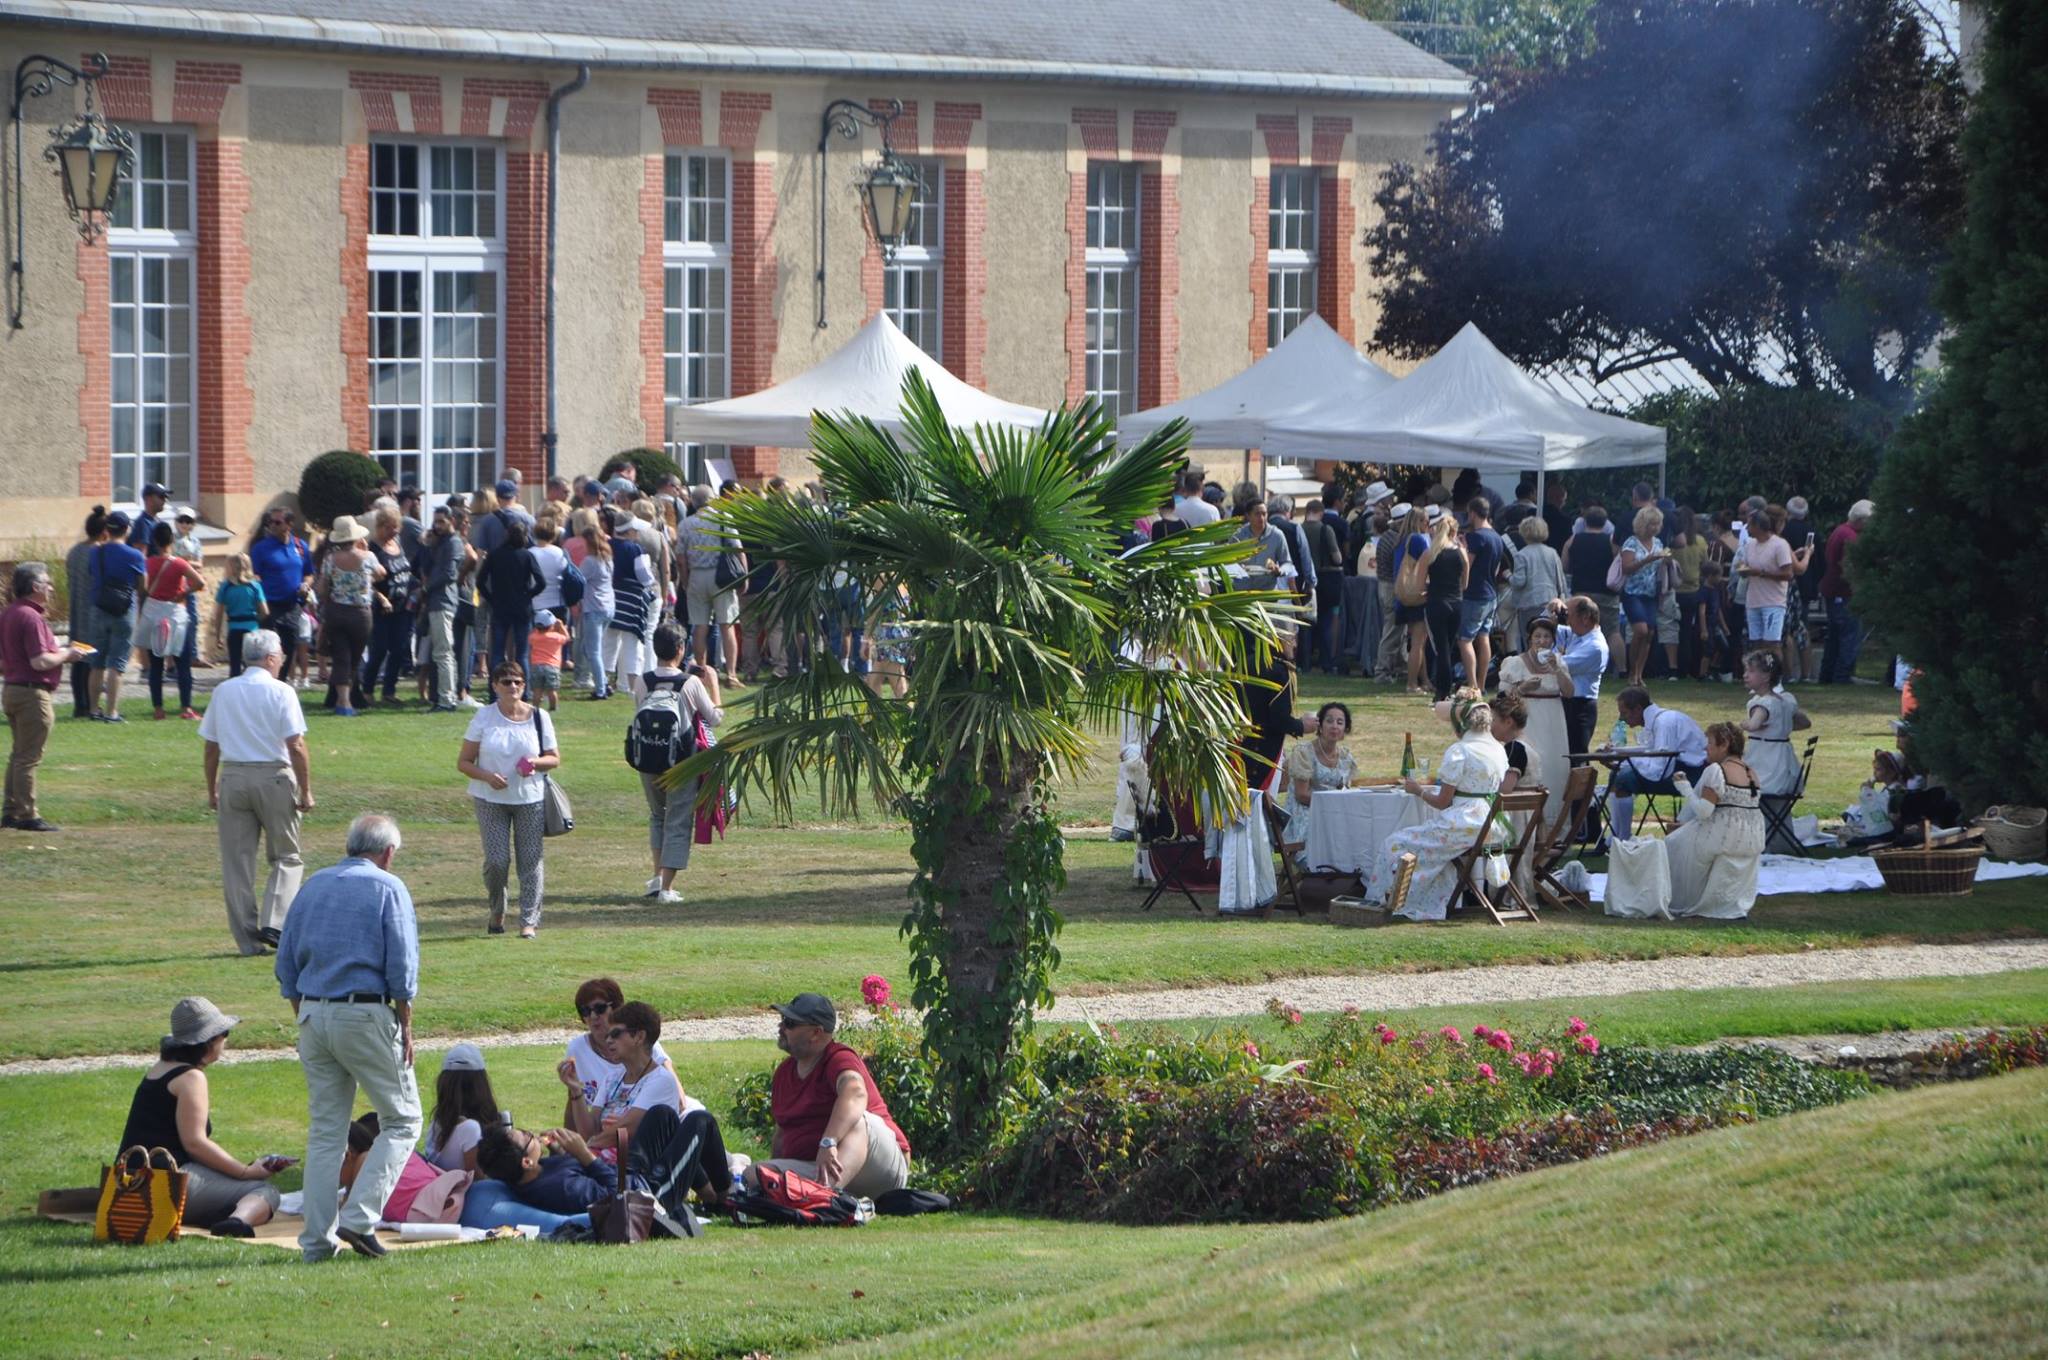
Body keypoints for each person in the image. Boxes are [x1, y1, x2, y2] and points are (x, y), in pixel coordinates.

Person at [274, 812, 422, 1262]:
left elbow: (285, 963)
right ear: (388, 853)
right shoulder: (387, 886)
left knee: (326, 1132)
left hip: (313, 1013)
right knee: (403, 1119)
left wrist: (307, 1014)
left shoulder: (314, 884)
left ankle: (317, 1243)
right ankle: (359, 1220)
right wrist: (406, 1024)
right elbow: (402, 967)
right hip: (364, 1012)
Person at [117, 997, 286, 1236]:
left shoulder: (160, 1067)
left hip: (129, 1181)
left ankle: (219, 1213)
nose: (226, 1040)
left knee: (229, 1183)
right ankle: (236, 1222)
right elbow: (195, 1143)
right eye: (223, 1033)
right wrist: (245, 1172)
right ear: (208, 1041)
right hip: (163, 1184)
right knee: (264, 1191)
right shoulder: (191, 1078)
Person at [199, 629, 311, 953]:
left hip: (233, 776)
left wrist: (211, 788)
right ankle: (274, 922)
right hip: (274, 776)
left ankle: (248, 941)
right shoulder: (281, 691)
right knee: (287, 855)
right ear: (271, 658)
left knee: (237, 863)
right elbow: (297, 745)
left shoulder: (224, 691)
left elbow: (211, 746)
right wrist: (306, 790)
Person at [1363, 690, 1511, 922]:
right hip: (1494, 825)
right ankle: (1427, 901)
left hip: (1467, 824)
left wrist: (1419, 791)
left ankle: (1391, 900)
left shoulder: (1461, 751)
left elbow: (1443, 802)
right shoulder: (1498, 750)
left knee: (1394, 843)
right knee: (1437, 855)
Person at [752, 992, 911, 1197]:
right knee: (753, 1173)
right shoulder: (784, 1073)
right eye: (783, 1020)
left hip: (879, 1168)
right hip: (821, 1167)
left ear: (816, 1033)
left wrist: (829, 1141)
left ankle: (821, 1198)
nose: (781, 1027)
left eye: (790, 1023)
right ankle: (808, 1195)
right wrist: (771, 1173)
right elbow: (782, 1132)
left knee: (860, 1121)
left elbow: (855, 1092)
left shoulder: (838, 1058)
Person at [476, 1102, 732, 1228]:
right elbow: (616, 1199)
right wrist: (585, 1155)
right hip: (648, 1196)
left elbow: (575, 1174)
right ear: (526, 1161)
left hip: (630, 1174)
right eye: (526, 1136)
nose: (531, 1133)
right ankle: (725, 1197)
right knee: (701, 1121)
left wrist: (558, 1151)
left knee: (661, 1115)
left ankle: (708, 1195)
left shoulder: (536, 1172)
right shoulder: (561, 1188)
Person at [457, 660, 559, 938]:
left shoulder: (539, 716)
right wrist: (487, 776)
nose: (512, 686)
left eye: (517, 682)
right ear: (495, 687)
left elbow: (554, 758)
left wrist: (535, 762)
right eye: (506, 682)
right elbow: (464, 762)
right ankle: (497, 910)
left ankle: (528, 921)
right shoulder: (484, 717)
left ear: (524, 685)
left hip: (530, 799)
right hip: (490, 799)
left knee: (530, 860)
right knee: (497, 860)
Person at [635, 625, 725, 903]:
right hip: (682, 760)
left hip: (648, 759)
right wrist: (714, 684)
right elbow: (715, 718)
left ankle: (657, 878)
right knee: (678, 820)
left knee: (657, 815)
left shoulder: (643, 680)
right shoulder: (690, 683)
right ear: (681, 649)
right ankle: (666, 888)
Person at [4, 562, 86, 831]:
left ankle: (11, 811)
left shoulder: (8, 614)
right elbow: (40, 661)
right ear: (36, 587)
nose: (51, 588)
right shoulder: (31, 616)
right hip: (32, 693)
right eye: (47, 583)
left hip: (12, 689)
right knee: (28, 757)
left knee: (18, 754)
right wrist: (68, 654)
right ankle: (28, 814)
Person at [1658, 722, 1766, 920]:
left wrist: (1684, 787)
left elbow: (1704, 811)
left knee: (1669, 845)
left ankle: (1671, 897)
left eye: (1709, 743)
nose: (1705, 748)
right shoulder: (1752, 772)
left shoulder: (1716, 770)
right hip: (1751, 838)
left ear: (1723, 744)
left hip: (1722, 837)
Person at [558, 976, 679, 1134]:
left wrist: (587, 1149)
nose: (593, 1016)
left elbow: (621, 1134)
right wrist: (576, 1090)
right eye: (585, 1011)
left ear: (639, 1037)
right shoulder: (611, 1079)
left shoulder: (658, 1076)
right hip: (601, 1153)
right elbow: (588, 1132)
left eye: (600, 1008)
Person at [1603, 686, 1708, 839]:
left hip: (1690, 776)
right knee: (1617, 774)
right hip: (1679, 769)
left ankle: (1622, 838)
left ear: (1638, 709)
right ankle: (1613, 837)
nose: (1621, 718)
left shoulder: (1664, 723)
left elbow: (1661, 768)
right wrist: (1616, 757)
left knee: (1623, 779)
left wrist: (1623, 760)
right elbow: (1650, 751)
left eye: (1624, 713)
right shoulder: (1659, 720)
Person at [1497, 618, 1569, 824]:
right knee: (1536, 763)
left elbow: (1570, 691)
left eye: (1546, 636)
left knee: (1556, 767)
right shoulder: (1516, 663)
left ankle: (1556, 823)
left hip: (1554, 719)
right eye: (1537, 636)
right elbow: (1502, 697)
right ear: (1530, 639)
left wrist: (1558, 670)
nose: (1542, 641)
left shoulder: (1558, 662)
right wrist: (1522, 689)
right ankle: (1532, 820)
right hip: (1530, 718)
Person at [1740, 649, 1811, 850]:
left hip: (1768, 768)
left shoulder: (1762, 703)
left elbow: (1754, 725)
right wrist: (1779, 728)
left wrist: (1744, 724)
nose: (1745, 675)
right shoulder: (1786, 701)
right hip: (1785, 767)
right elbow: (1805, 723)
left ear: (1766, 677)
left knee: (1734, 784)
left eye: (1751, 671)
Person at [314, 515, 381, 716]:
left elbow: (323, 588)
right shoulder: (368, 557)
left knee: (341, 656)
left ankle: (342, 701)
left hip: (336, 612)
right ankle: (347, 701)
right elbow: (381, 573)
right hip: (360, 614)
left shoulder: (330, 560)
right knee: (354, 658)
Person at [83, 511, 147, 722]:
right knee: (117, 663)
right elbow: (142, 585)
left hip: (98, 607)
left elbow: (92, 574)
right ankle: (111, 712)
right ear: (126, 529)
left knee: (96, 662)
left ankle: (93, 709)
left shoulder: (95, 552)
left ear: (106, 530)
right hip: (123, 609)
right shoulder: (135, 555)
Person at [679, 489, 746, 687]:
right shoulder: (724, 518)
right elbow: (737, 549)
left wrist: (684, 580)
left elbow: (681, 558)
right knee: (727, 625)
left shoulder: (686, 524)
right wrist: (744, 577)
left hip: (697, 575)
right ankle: (732, 674)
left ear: (693, 501)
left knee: (700, 626)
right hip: (722, 575)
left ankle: (702, 672)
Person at [141, 521, 206, 720]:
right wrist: (182, 594)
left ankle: (158, 709)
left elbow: (142, 590)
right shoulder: (178, 563)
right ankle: (186, 708)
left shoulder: (147, 563)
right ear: (171, 540)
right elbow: (200, 582)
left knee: (156, 665)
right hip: (176, 614)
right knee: (183, 663)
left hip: (154, 616)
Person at [1278, 701, 1355, 862]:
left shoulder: (1346, 758)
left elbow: (1345, 791)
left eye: (1340, 722)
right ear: (1320, 726)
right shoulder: (1304, 753)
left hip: (1333, 815)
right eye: (1329, 721)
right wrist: (1334, 802)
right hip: (1306, 817)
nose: (1334, 726)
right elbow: (1302, 795)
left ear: (1344, 730)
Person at [1734, 509, 1807, 671]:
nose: (1747, 529)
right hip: (1753, 601)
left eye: (1750, 525)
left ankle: (1775, 679)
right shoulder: (1750, 545)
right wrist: (1743, 568)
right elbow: (1742, 563)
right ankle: (1759, 678)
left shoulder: (1779, 544)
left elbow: (1788, 573)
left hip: (1773, 602)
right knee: (1757, 643)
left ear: (1758, 526)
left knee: (1772, 643)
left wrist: (1760, 573)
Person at [249, 508, 315, 685]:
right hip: (269, 606)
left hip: (293, 605)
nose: (272, 525)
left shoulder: (300, 547)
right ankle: (264, 683)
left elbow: (309, 573)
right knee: (269, 648)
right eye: (270, 522)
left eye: (277, 522)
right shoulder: (261, 548)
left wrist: (306, 585)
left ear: (289, 524)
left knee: (289, 648)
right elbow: (255, 575)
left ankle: (281, 683)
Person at [478, 516, 543, 691]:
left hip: (500, 607)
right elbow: (541, 582)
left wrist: (491, 598)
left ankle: (495, 690)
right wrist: (528, 595)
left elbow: (480, 581)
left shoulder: (495, 555)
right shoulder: (527, 555)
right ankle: (524, 690)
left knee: (497, 653)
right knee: (522, 653)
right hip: (521, 607)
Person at [603, 508, 658, 699]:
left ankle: (605, 681)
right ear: (630, 530)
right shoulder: (635, 549)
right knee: (632, 643)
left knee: (609, 641)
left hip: (610, 597)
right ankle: (634, 686)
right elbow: (644, 577)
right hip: (632, 600)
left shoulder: (606, 545)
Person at [415, 505, 466, 710]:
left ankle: (446, 699)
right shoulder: (441, 542)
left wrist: (425, 588)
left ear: (452, 521)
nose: (437, 526)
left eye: (441, 522)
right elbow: (424, 566)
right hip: (437, 601)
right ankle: (447, 697)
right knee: (443, 652)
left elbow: (449, 574)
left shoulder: (454, 543)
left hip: (443, 601)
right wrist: (427, 545)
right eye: (435, 521)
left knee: (443, 652)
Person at [364, 508, 415, 707]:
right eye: (389, 528)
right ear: (379, 526)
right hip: (381, 609)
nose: (394, 531)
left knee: (399, 649)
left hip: (403, 607)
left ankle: (389, 691)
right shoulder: (372, 549)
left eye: (396, 527)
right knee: (379, 650)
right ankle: (367, 689)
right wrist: (381, 597)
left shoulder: (398, 543)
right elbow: (366, 580)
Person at [1818, 499, 1873, 685]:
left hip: (1832, 591)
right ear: (1861, 520)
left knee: (1834, 636)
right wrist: (1860, 593)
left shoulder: (1840, 531)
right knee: (1849, 636)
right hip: (1844, 593)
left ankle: (1827, 675)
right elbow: (1849, 569)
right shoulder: (1851, 538)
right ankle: (1842, 676)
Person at [421, 1043, 499, 1173]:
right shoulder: (469, 1128)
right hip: (465, 1191)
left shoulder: (439, 1122)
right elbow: (478, 1179)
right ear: (481, 1085)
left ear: (444, 1084)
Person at [64, 507, 110, 718]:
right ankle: (90, 704)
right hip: (94, 613)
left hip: (76, 610)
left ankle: (79, 704)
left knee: (78, 659)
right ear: (104, 532)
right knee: (92, 661)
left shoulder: (74, 551)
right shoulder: (99, 553)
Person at [1552, 595, 1609, 757]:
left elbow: (1558, 666)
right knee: (1560, 755)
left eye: (1569, 615)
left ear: (1585, 618)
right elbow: (1542, 630)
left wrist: (1547, 657)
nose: (1566, 620)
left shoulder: (1595, 647)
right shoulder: (1577, 633)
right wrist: (1549, 610)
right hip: (1566, 703)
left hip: (1580, 707)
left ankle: (1584, 784)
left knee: (1576, 757)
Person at [1563, 506, 1619, 671]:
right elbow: (1618, 565)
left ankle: (1578, 664)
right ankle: (1622, 669)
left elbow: (1565, 566)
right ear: (1605, 522)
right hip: (1606, 591)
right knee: (1613, 631)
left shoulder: (1573, 540)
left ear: (1584, 521)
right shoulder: (1611, 541)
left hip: (1581, 591)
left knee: (1579, 629)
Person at [1617, 507, 1668, 688]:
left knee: (1650, 634)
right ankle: (1632, 671)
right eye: (1651, 524)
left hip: (1650, 593)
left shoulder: (1659, 543)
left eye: (1657, 524)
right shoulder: (1631, 542)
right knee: (1641, 631)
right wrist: (1648, 559)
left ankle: (1639, 673)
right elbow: (1627, 568)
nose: (1654, 528)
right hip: (1632, 593)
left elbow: (1660, 568)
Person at [1458, 495, 1505, 692]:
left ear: (1473, 513)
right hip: (1491, 593)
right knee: (1484, 637)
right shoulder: (1497, 536)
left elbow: (1466, 564)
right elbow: (1497, 569)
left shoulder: (1476, 537)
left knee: (1465, 639)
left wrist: (1461, 549)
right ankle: (1482, 684)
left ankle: (1473, 685)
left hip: (1474, 594)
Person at [1422, 508, 1466, 701]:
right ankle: (1445, 690)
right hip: (1456, 602)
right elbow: (1464, 583)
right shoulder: (1461, 553)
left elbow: (1418, 583)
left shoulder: (1430, 554)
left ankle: (1442, 692)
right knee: (1448, 646)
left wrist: (1429, 587)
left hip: (1436, 602)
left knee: (1441, 648)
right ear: (1454, 533)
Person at [1505, 513, 1564, 653]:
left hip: (1528, 604)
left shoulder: (1522, 555)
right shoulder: (1552, 552)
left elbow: (1519, 582)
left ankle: (1532, 670)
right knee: (1548, 640)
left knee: (1531, 640)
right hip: (1550, 602)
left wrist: (1508, 576)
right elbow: (1560, 579)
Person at [576, 521, 616, 700]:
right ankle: (604, 681)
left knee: (592, 651)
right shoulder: (607, 560)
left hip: (594, 608)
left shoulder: (590, 562)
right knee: (591, 649)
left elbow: (578, 578)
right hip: (608, 606)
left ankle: (601, 688)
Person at [212, 553, 265, 678]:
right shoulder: (254, 586)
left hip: (234, 629)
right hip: (252, 629)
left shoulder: (225, 587)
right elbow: (265, 611)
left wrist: (218, 636)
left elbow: (219, 614)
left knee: (234, 666)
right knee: (252, 665)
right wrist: (257, 621)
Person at [469, 478, 534, 555]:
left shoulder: (487, 521)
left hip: (496, 565)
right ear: (515, 496)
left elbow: (481, 552)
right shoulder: (529, 519)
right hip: (522, 564)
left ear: (497, 497)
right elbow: (534, 547)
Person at [527, 609, 569, 711]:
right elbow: (567, 638)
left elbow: (534, 634)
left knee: (537, 690)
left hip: (536, 666)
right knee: (552, 690)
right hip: (552, 666)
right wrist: (561, 626)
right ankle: (553, 707)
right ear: (551, 625)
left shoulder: (533, 637)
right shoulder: (556, 637)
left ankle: (535, 708)